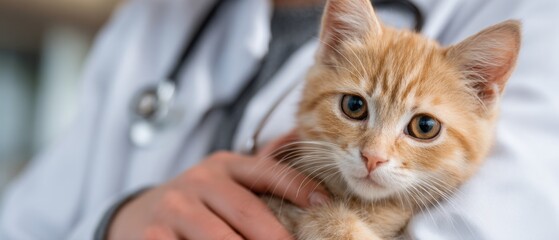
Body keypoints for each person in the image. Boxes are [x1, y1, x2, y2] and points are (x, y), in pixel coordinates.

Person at [1, 0, 559, 239]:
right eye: (356, 108)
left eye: (422, 127)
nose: (375, 153)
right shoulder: (155, 19)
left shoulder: (529, 19)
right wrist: (115, 223)